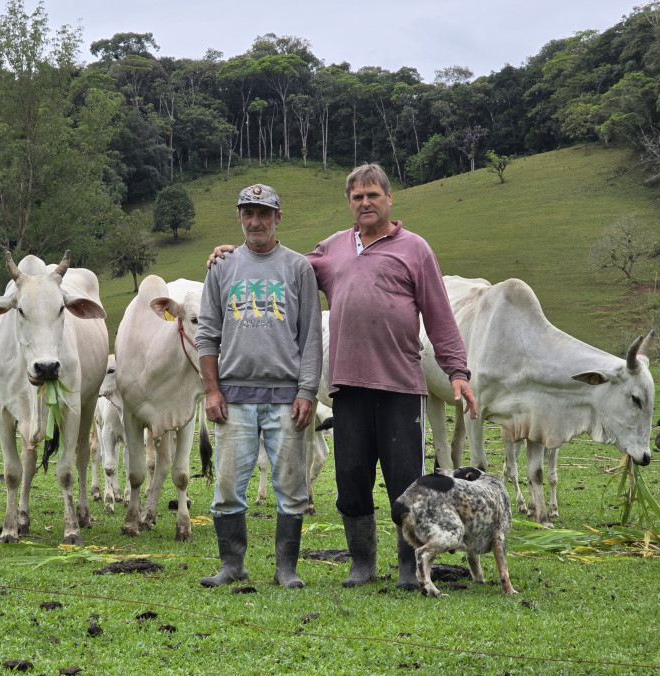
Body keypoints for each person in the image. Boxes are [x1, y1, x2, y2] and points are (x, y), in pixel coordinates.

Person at [208, 164, 476, 591]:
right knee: (351, 479)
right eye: (357, 197)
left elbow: (440, 315)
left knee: (406, 480)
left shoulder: (415, 249)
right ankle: (362, 564)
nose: (366, 203)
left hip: (401, 385)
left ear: (390, 199)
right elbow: (280, 265)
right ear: (349, 203)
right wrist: (232, 254)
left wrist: (457, 371)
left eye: (373, 195)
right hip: (347, 387)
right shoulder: (331, 250)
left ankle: (410, 568)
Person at [197, 183, 323, 589]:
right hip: (233, 397)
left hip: (286, 398)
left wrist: (307, 392)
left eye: (264, 214)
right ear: (239, 217)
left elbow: (311, 339)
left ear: (277, 218)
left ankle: (286, 569)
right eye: (248, 214)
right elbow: (207, 335)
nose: (256, 222)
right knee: (228, 486)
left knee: (290, 486)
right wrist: (212, 391)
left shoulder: (298, 268)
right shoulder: (222, 267)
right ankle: (232, 565)